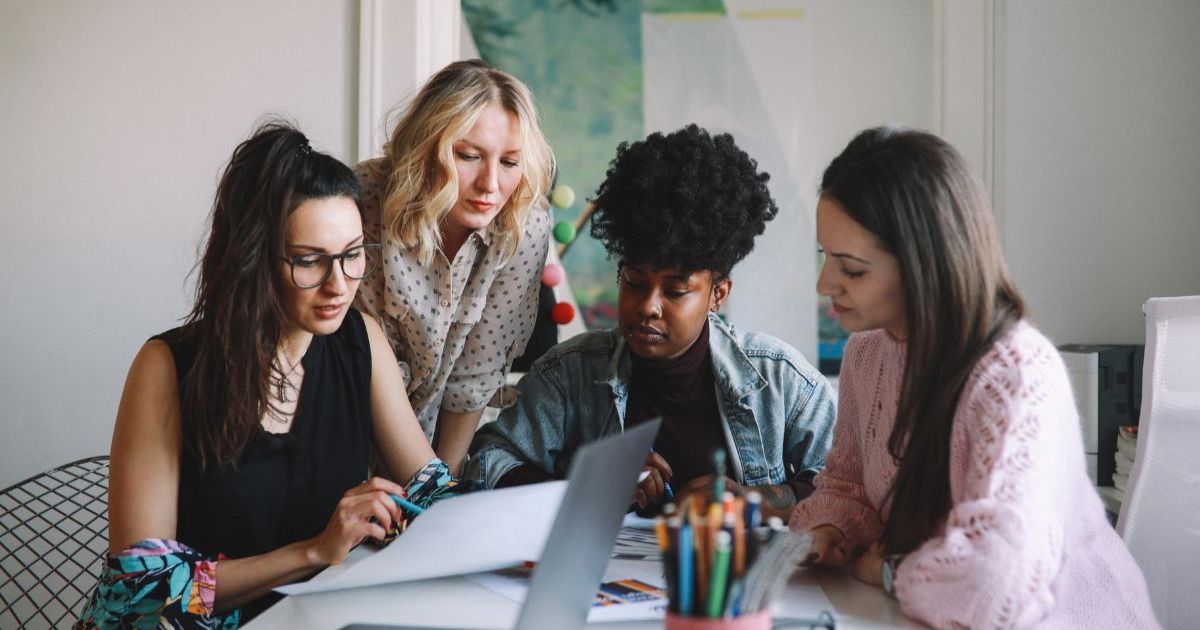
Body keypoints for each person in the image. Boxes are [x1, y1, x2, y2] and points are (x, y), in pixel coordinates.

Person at [77, 123, 459, 627]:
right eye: (309, 262)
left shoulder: (361, 340)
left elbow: (431, 490)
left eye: (351, 255)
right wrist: (314, 552)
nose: (338, 284)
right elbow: (142, 590)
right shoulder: (168, 367)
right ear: (253, 260)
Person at [791, 127, 1159, 628]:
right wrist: (831, 527)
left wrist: (892, 571)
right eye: (824, 257)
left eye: (851, 269)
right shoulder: (867, 353)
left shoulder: (1016, 375)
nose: (824, 284)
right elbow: (848, 485)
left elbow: (997, 584)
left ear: (923, 265)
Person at [466, 125, 837, 520]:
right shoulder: (568, 374)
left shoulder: (779, 379)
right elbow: (488, 463)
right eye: (634, 283)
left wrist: (752, 502)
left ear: (719, 293)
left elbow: (848, 484)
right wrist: (591, 485)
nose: (648, 306)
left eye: (676, 292)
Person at [353, 59, 556, 475]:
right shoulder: (361, 201)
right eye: (468, 156)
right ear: (426, 148)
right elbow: (354, 359)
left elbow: (474, 376)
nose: (491, 184)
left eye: (510, 162)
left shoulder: (523, 222)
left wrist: (441, 489)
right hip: (342, 435)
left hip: (429, 450)